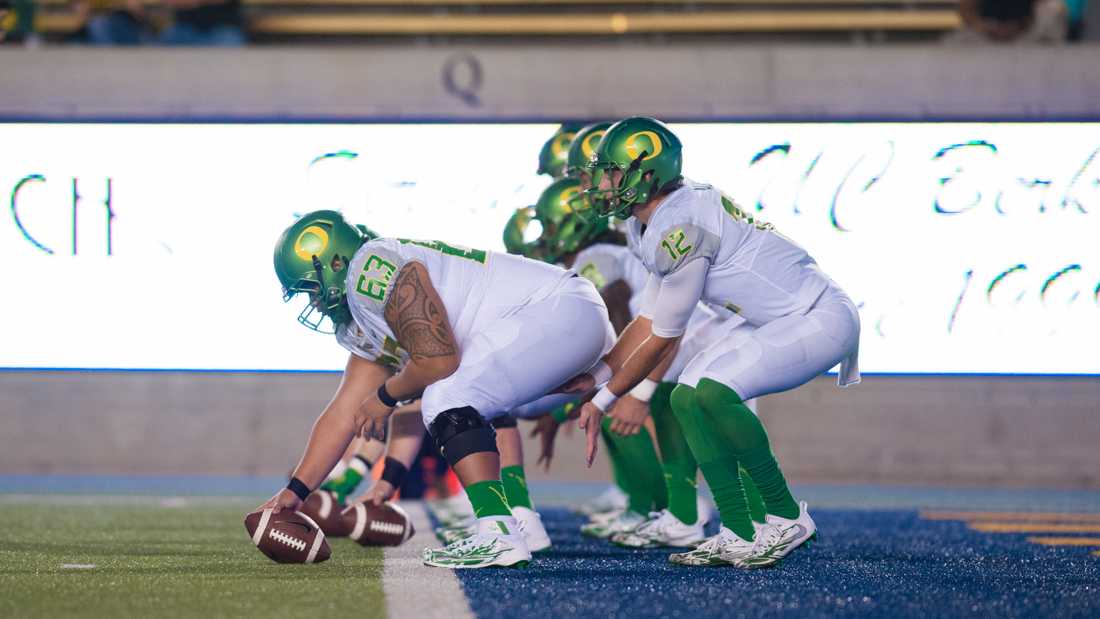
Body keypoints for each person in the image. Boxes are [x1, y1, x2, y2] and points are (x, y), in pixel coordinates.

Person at [569, 117, 861, 568]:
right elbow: (648, 317)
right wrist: (602, 373)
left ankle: (786, 515)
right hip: (772, 320)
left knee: (712, 391)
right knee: (687, 397)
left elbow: (666, 336)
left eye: (610, 172)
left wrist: (609, 397)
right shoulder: (648, 223)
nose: (603, 184)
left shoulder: (681, 223)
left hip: (816, 314)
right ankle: (739, 527)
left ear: (647, 173)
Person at [258, 210, 613, 569]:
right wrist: (296, 492)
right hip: (562, 327)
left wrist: (384, 398)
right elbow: (344, 412)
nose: (314, 302)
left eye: (311, 288)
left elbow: (438, 362)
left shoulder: (371, 267)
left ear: (336, 261)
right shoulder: (363, 319)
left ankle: (499, 531)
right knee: (461, 396)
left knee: (449, 396)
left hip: (559, 312)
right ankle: (521, 521)